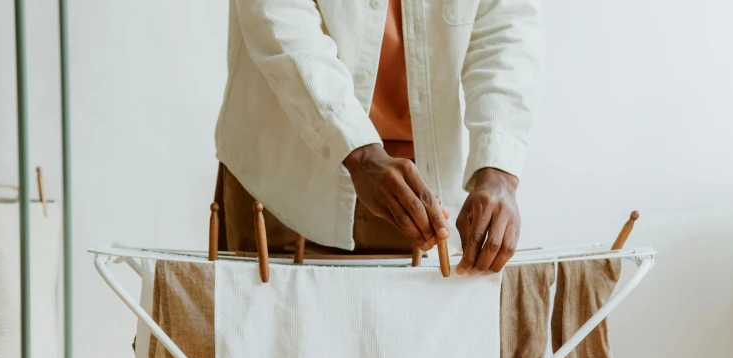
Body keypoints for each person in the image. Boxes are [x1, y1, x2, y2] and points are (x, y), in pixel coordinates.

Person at [213, 0, 544, 274]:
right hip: (287, 186)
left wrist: (498, 167)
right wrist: (357, 149)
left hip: (421, 194)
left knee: (416, 350)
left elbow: (506, 24)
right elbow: (278, 16)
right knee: (269, 346)